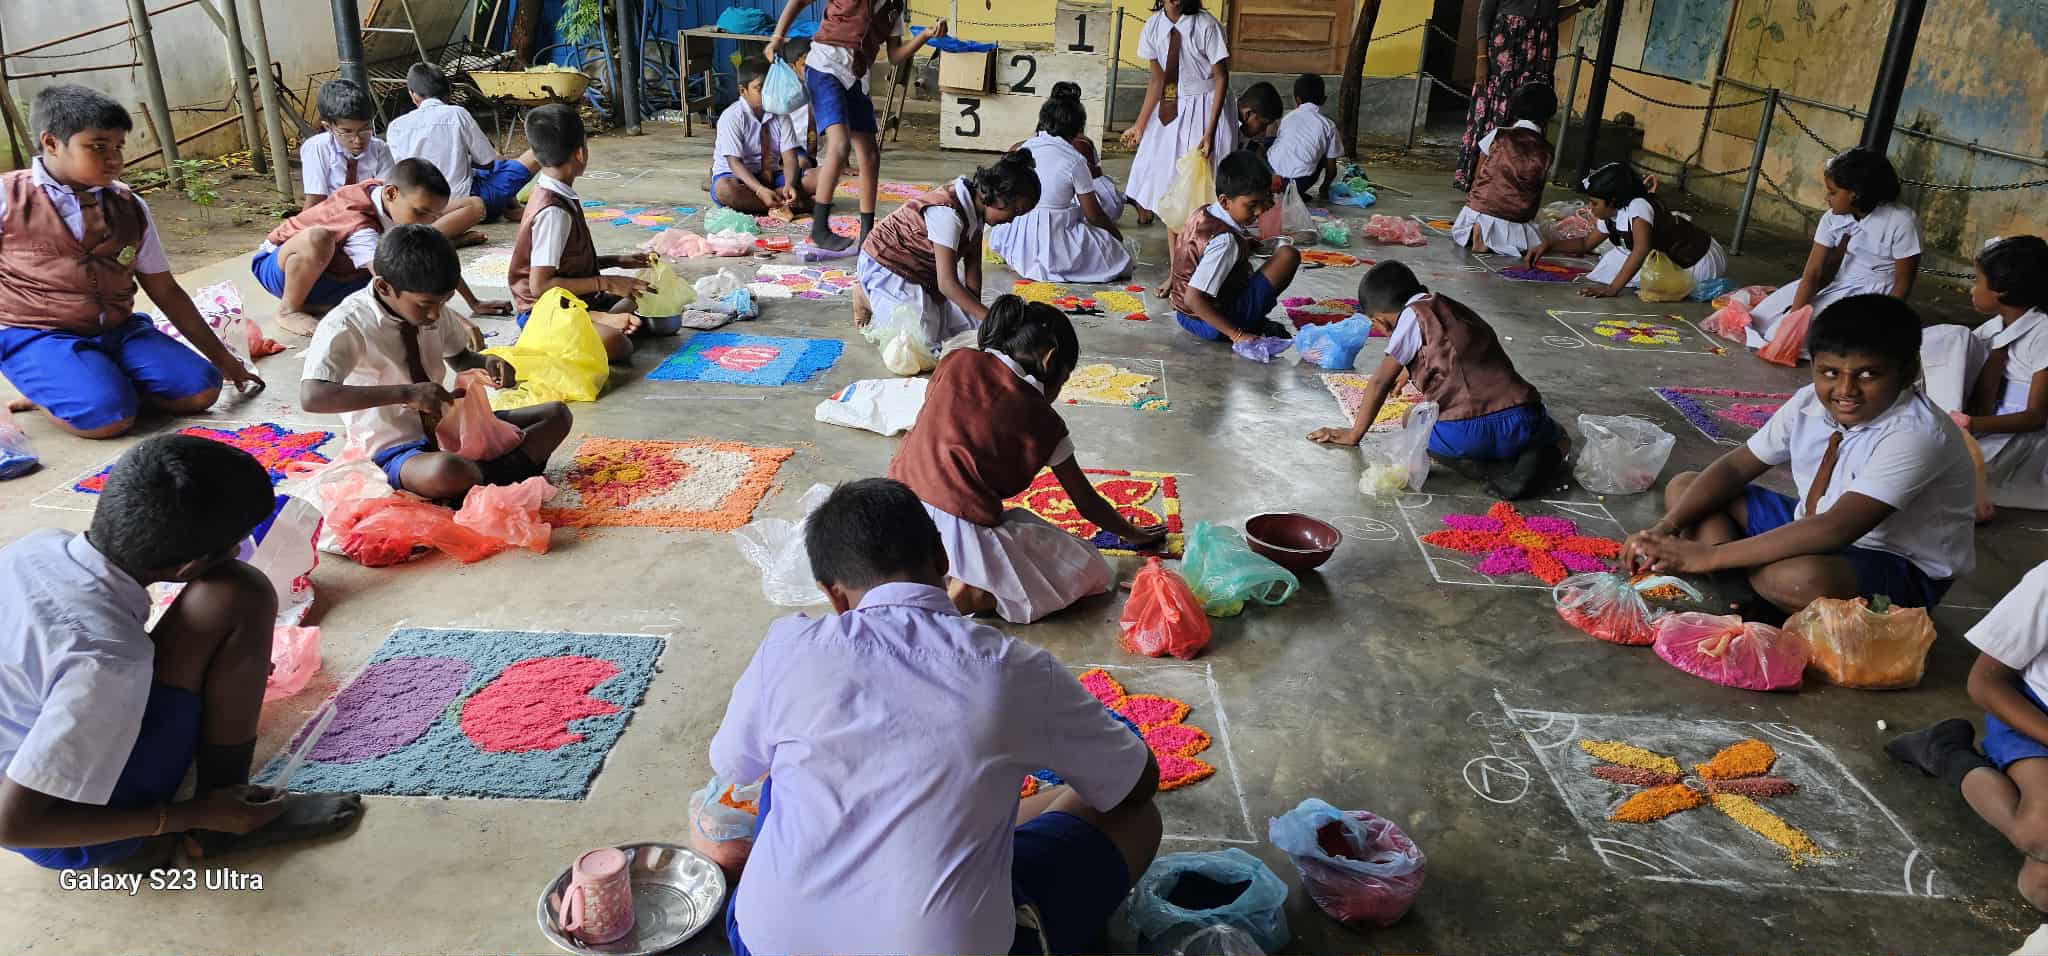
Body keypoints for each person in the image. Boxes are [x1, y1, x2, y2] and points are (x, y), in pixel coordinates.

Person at [711, 476, 1163, 956]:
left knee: (781, 771)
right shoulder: (1015, 672)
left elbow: (734, 765)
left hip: (764, 945)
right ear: (944, 560)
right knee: (1134, 820)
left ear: (833, 595)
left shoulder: (787, 648)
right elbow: (1136, 782)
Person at [0, 434, 365, 869]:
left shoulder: (34, 547)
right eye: (237, 542)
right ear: (189, 567)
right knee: (242, 592)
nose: (238, 551)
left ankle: (213, 803)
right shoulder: (107, 662)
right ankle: (221, 821)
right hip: (57, 826)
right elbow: (11, 826)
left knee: (227, 595)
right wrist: (190, 814)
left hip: (33, 743)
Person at [1623, 294, 1976, 613]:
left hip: (1896, 562)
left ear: (1908, 373)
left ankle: (1734, 571)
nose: (1846, 390)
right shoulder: (1810, 402)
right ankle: (1741, 574)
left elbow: (1837, 528)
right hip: (1810, 523)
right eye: (1830, 372)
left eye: (1868, 375)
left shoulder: (1918, 433)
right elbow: (1736, 468)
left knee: (1797, 579)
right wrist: (1664, 528)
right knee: (1686, 487)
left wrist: (1710, 555)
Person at [0, 85, 262, 439]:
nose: (114, 158)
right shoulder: (8, 198)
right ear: (51, 143)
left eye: (118, 147)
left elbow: (164, 289)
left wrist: (224, 358)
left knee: (202, 389)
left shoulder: (129, 205)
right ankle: (52, 389)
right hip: (39, 334)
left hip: (118, 329)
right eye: (98, 146)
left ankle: (89, 381)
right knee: (108, 420)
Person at [888, 295, 1166, 621]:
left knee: (1012, 524)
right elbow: (1086, 502)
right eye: (1064, 379)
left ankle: (937, 575)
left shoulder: (956, 360)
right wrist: (1133, 534)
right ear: (1050, 360)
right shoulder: (1043, 421)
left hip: (897, 505)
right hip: (958, 521)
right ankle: (970, 594)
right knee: (1086, 568)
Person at [302, 225, 571, 501]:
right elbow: (313, 396)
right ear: (384, 286)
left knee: (556, 415)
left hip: (449, 427)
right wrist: (406, 393)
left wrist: (489, 363)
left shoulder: (435, 310)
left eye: (444, 302)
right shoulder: (347, 323)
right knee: (444, 471)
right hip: (394, 448)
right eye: (424, 304)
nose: (434, 315)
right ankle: (501, 472)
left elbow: (461, 358)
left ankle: (484, 477)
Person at [1887, 561, 2048, 955]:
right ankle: (1947, 753)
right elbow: (1985, 682)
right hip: (2035, 718)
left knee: (2041, 886)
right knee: (2040, 834)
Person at [1308, 260, 1568, 499]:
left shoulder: (1410, 318)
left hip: (1466, 434)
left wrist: (1354, 434)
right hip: (1524, 418)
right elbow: (1458, 352)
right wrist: (1408, 370)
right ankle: (1536, 457)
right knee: (1561, 437)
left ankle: (1483, 467)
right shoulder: (1451, 307)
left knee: (1411, 418)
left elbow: (1379, 382)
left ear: (1380, 321)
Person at [765, 1, 947, 252]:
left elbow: (895, 56)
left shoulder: (893, 11)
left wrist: (925, 35)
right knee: (840, 145)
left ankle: (867, 234)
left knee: (870, 156)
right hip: (825, 68)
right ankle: (820, 229)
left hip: (857, 78)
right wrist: (777, 37)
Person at [254, 158, 508, 337]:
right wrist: (455, 323)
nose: (427, 222)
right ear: (391, 194)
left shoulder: (395, 200)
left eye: (434, 216)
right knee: (318, 239)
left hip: (337, 273)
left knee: (399, 283)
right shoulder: (359, 223)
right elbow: (389, 275)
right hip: (281, 267)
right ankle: (289, 309)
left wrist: (474, 303)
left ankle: (317, 305)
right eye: (421, 212)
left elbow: (435, 255)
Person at [852, 151, 1041, 354]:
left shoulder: (977, 208)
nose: (1012, 220)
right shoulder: (948, 214)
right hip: (888, 266)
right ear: (999, 198)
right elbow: (947, 284)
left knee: (967, 329)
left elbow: (973, 269)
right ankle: (866, 297)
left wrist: (980, 321)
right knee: (919, 346)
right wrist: (991, 321)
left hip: (924, 272)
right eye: (1016, 211)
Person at [507, 104, 650, 363]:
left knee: (640, 296)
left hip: (573, 301)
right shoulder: (553, 212)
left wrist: (617, 260)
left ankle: (600, 319)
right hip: (542, 312)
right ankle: (597, 321)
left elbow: (566, 265)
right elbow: (539, 286)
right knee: (618, 345)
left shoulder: (557, 193)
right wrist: (607, 283)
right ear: (581, 153)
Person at [1744, 147, 1921, 353]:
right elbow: (1813, 272)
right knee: (1761, 321)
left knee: (1806, 339)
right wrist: (1794, 317)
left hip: (1874, 295)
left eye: (1832, 192)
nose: (1826, 198)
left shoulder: (1901, 221)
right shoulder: (1832, 218)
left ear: (1855, 194)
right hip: (1839, 281)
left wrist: (1879, 326)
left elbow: (1902, 285)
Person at [1922, 236, 2048, 516]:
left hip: (2019, 437)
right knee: (1952, 337)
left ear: (2001, 291)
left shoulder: (2043, 333)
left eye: (1978, 280)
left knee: (1938, 475)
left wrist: (1971, 424)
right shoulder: (1995, 327)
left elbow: (2036, 416)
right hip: (1977, 425)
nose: (1972, 288)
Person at [987, 83, 1129, 283]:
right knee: (1117, 257)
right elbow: (1093, 215)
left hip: (1017, 238)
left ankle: (1024, 260)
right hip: (1054, 240)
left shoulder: (1022, 149)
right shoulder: (1076, 160)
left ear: (1042, 121)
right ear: (1077, 130)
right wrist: (1116, 236)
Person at [1526, 160, 1727, 298]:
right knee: (1611, 263)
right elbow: (1586, 243)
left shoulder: (1638, 207)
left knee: (1623, 269)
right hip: (1672, 256)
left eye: (1595, 203)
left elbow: (1641, 250)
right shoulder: (1611, 213)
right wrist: (1549, 245)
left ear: (1613, 201)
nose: (1590, 208)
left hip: (1698, 259)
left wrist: (1612, 289)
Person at [387, 63, 538, 235]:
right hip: (464, 201)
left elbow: (400, 171)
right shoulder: (457, 114)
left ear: (413, 95)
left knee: (485, 169)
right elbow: (488, 162)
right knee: (528, 157)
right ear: (449, 94)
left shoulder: (395, 127)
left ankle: (510, 207)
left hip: (422, 207)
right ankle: (511, 206)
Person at [1168, 150, 1300, 348]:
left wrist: (1244, 244)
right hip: (1209, 324)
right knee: (1288, 256)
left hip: (1183, 315)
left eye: (1263, 201)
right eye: (1252, 205)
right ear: (1225, 201)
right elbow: (1193, 298)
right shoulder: (1226, 241)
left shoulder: (1204, 212)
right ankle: (1245, 323)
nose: (1259, 211)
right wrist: (1237, 334)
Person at [1121, 0, 1236, 226]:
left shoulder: (1206, 25)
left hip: (1207, 104)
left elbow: (1221, 78)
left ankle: (1205, 235)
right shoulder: (1153, 26)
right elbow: (1158, 80)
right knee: (1167, 176)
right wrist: (1140, 125)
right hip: (1171, 101)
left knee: (1202, 179)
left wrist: (1210, 132)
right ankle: (1177, 240)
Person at [1456, 0, 1591, 190]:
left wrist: (1579, 6)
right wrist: (1481, 58)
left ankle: (1519, 179)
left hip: (1540, 50)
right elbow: (1484, 16)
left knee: (1533, 111)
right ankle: (1482, 180)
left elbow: (1552, 14)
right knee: (1498, 111)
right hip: (1508, 47)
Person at [1452, 82, 1556, 257]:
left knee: (1482, 208)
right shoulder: (1547, 150)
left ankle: (1480, 230)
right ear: (1549, 116)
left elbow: (1479, 172)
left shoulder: (1499, 134)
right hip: (1517, 216)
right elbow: (1537, 187)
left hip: (1482, 207)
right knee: (1530, 237)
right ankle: (1494, 236)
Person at [712, 57, 814, 216]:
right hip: (738, 178)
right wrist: (759, 190)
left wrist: (790, 184)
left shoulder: (780, 113)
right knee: (725, 190)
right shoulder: (732, 116)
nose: (766, 93)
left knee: (819, 177)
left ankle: (771, 200)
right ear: (743, 91)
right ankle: (788, 204)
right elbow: (734, 163)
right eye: (759, 88)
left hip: (771, 176)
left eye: (769, 87)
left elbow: (789, 157)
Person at [300, 79, 394, 210]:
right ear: (328, 127)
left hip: (370, 214)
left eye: (365, 129)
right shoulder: (317, 148)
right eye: (347, 132)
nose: (357, 140)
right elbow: (315, 200)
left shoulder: (380, 149)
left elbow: (386, 199)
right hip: (329, 214)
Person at [1266, 73, 1343, 202]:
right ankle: (1295, 193)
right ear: (1324, 100)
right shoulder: (1329, 126)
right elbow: (1331, 168)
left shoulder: (1287, 118)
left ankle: (1278, 189)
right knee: (1326, 154)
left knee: (1275, 142)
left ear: (1297, 100)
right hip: (1300, 182)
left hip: (1271, 175)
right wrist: (1325, 187)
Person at [782, 39, 818, 171]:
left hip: (806, 151)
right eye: (804, 65)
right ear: (792, 67)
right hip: (786, 147)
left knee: (803, 165)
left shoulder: (821, 87)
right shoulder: (785, 93)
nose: (811, 70)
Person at [1235, 80, 1284, 152]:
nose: (1264, 130)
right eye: (1263, 125)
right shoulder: (1225, 129)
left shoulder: (1239, 122)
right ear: (1248, 114)